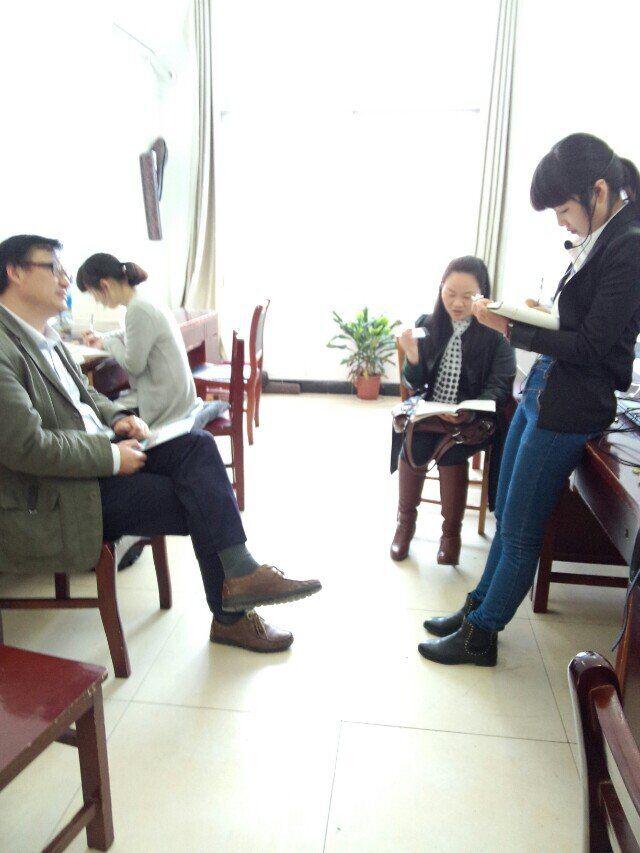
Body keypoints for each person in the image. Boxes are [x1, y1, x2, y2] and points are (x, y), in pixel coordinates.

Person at [0, 234, 321, 654]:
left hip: (99, 456)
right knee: (202, 500)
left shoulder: (47, 337)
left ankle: (240, 578)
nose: (64, 280)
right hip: (66, 490)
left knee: (198, 446)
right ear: (15, 272)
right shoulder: (4, 347)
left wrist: (117, 418)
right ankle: (233, 612)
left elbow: (86, 395)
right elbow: (28, 447)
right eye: (54, 269)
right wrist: (111, 456)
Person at [419, 133, 640, 667]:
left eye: (564, 210)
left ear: (598, 191)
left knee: (520, 530)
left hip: (571, 404)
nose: (562, 223)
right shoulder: (606, 236)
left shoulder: (630, 245)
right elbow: (583, 325)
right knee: (506, 512)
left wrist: (513, 330)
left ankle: (481, 636)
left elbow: (594, 346)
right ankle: (476, 609)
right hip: (546, 388)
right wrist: (538, 318)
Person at [391, 256, 515, 565]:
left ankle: (450, 536)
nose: (457, 303)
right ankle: (404, 526)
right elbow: (415, 383)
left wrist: (467, 411)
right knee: (412, 439)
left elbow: (499, 387)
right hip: (431, 410)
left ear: (483, 296)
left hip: (471, 419)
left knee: (452, 450)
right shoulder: (427, 325)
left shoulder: (496, 335)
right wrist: (413, 358)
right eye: (450, 293)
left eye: (468, 296)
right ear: (440, 290)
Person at [76, 253, 209, 430]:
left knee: (102, 415)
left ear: (104, 286)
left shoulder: (137, 309)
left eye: (94, 294)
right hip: (177, 396)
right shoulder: (143, 299)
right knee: (110, 407)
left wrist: (108, 343)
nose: (97, 301)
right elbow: (131, 333)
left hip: (167, 403)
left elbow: (133, 366)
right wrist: (103, 338)